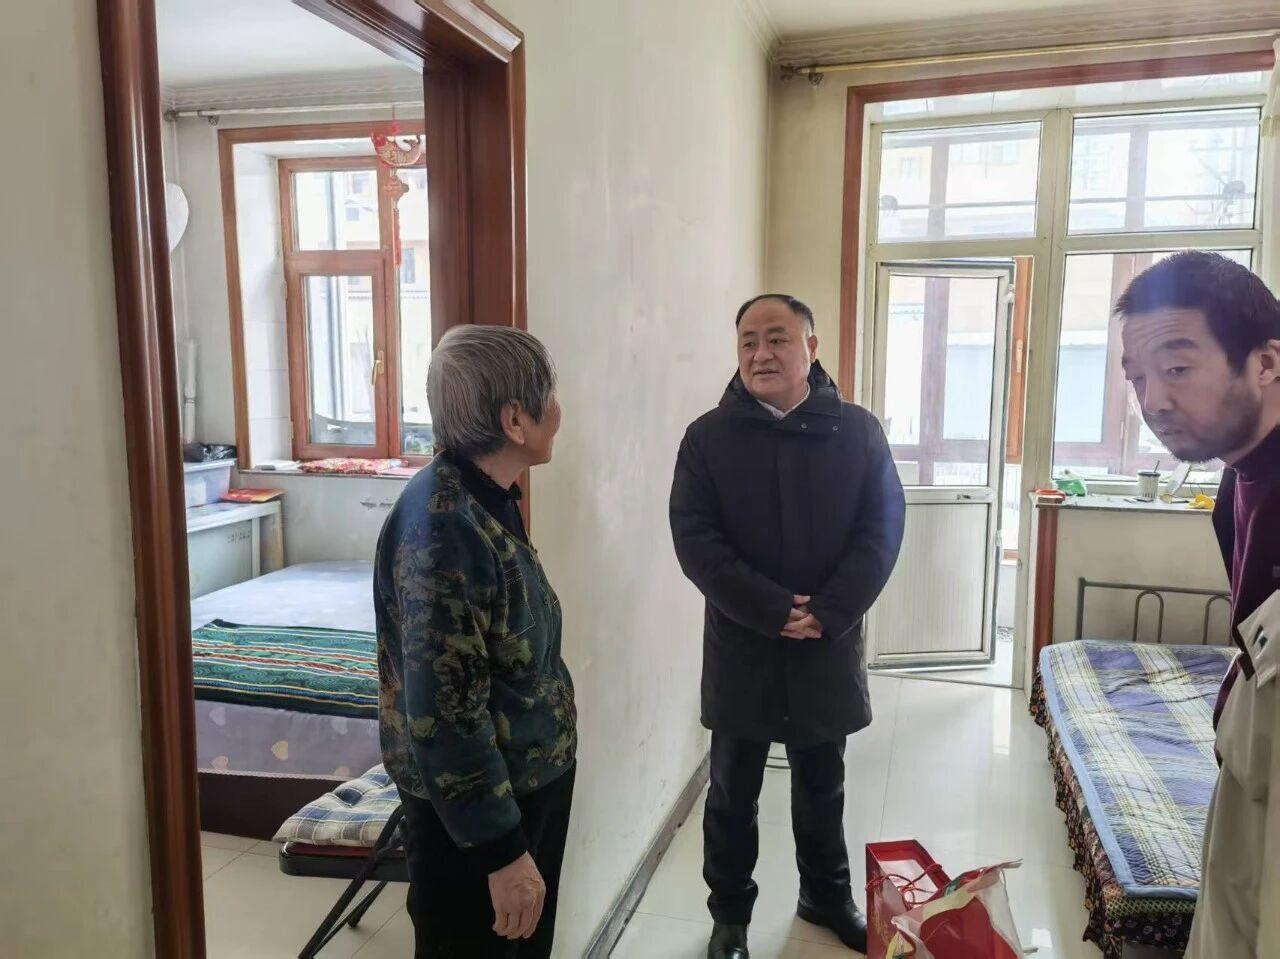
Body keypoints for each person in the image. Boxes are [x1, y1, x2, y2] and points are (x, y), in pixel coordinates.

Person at [670, 294, 906, 959]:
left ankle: (825, 896)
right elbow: (696, 539)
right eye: (748, 341)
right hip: (742, 642)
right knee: (731, 790)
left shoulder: (857, 432)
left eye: (777, 338)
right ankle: (730, 916)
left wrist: (828, 611)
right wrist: (773, 610)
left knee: (822, 782)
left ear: (811, 346)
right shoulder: (708, 437)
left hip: (825, 642)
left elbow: (882, 529)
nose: (761, 353)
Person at [375, 326, 577, 959]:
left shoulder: (486, 498)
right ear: (515, 420)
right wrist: (501, 853)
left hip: (522, 788)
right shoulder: (444, 529)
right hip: (479, 818)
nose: (559, 411)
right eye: (550, 396)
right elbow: (446, 715)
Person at [1116, 251, 1280, 958]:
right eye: (1137, 377)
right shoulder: (1235, 483)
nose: (1153, 400)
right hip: (1246, 762)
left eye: (1177, 368)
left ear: (1266, 362)